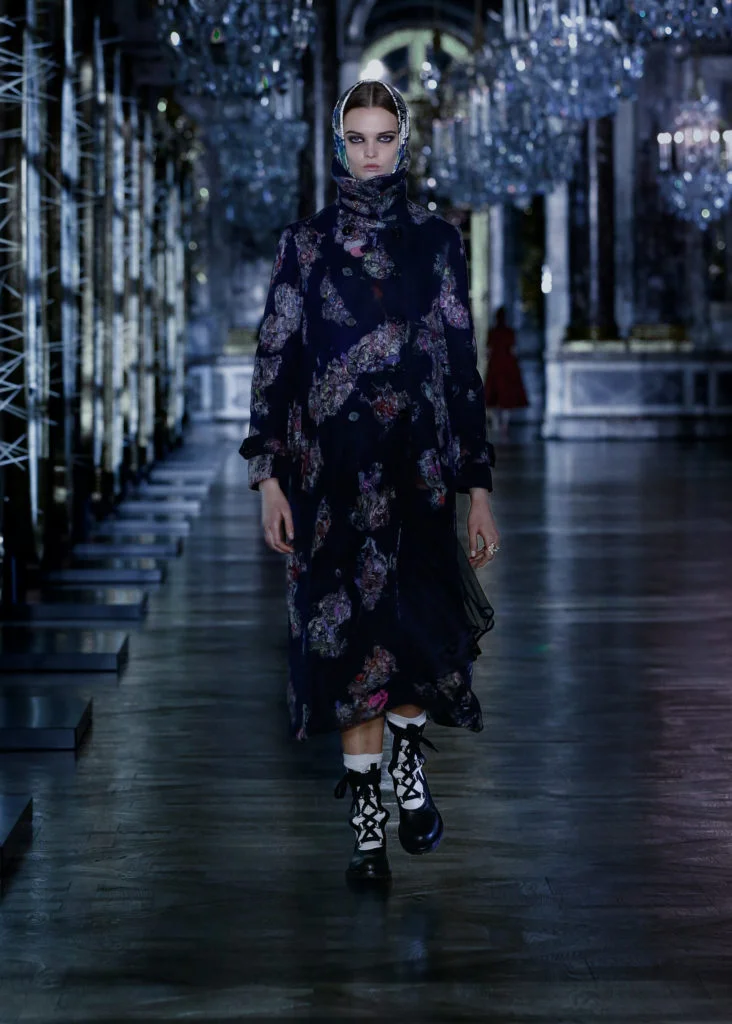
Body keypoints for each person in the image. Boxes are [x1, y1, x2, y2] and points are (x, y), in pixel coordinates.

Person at [240, 79, 500, 887]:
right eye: (358, 138)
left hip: (419, 475)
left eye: (384, 137)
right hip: (330, 482)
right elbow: (275, 361)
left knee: (415, 640)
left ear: (404, 143)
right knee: (350, 651)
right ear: (338, 144)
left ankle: (408, 771)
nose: (371, 153)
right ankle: (366, 831)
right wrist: (268, 478)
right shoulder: (305, 246)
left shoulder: (437, 244)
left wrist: (479, 488)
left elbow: (461, 365)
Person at [483, 306, 528, 439]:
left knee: (494, 396)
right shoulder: (509, 332)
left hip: (496, 366)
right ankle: (504, 424)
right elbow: (513, 349)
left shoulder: (493, 332)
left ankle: (497, 423)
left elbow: (488, 351)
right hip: (507, 366)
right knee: (506, 397)